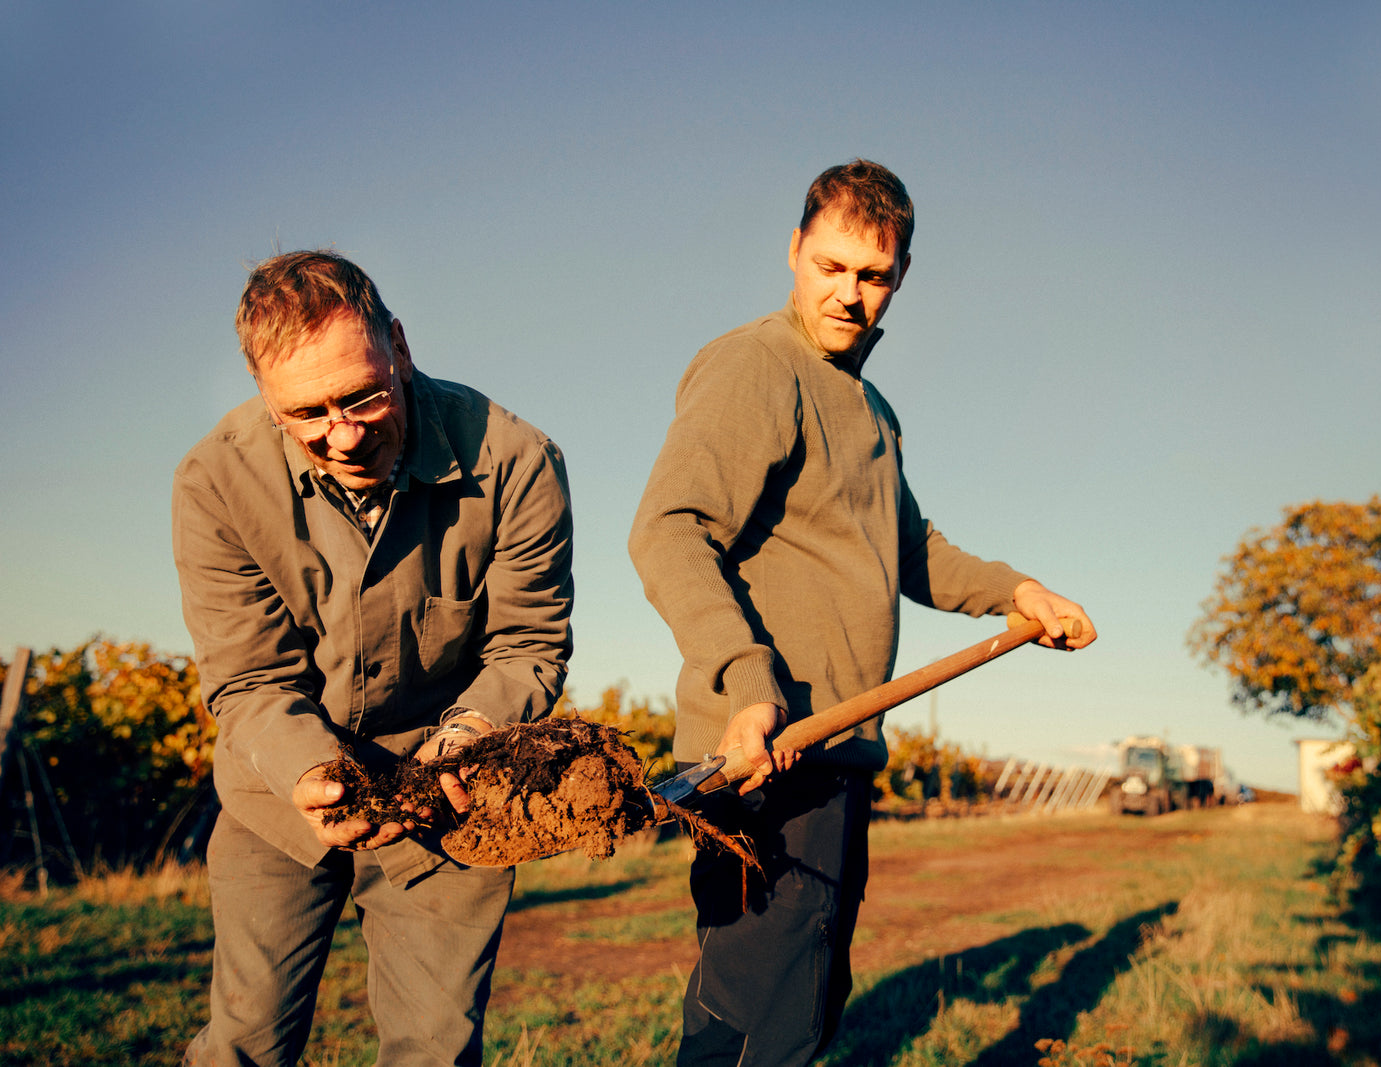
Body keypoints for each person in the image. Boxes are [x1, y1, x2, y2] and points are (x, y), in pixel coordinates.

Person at [628, 159, 1097, 1066]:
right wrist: (748, 680)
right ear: (795, 252)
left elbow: (909, 548)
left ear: (901, 278)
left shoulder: (870, 408)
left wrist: (1016, 592)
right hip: (766, 749)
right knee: (776, 1020)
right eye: (831, 266)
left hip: (837, 746)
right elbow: (668, 529)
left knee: (772, 1002)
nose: (849, 294)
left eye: (872, 275)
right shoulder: (757, 366)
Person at [172, 250, 574, 1066]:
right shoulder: (213, 483)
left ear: (398, 343)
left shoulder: (518, 461)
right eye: (309, 414)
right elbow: (249, 679)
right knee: (245, 1043)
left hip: (452, 793)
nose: (344, 435)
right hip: (276, 797)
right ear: (264, 397)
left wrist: (467, 737)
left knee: (434, 1048)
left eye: (362, 395)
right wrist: (311, 772)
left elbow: (528, 643)